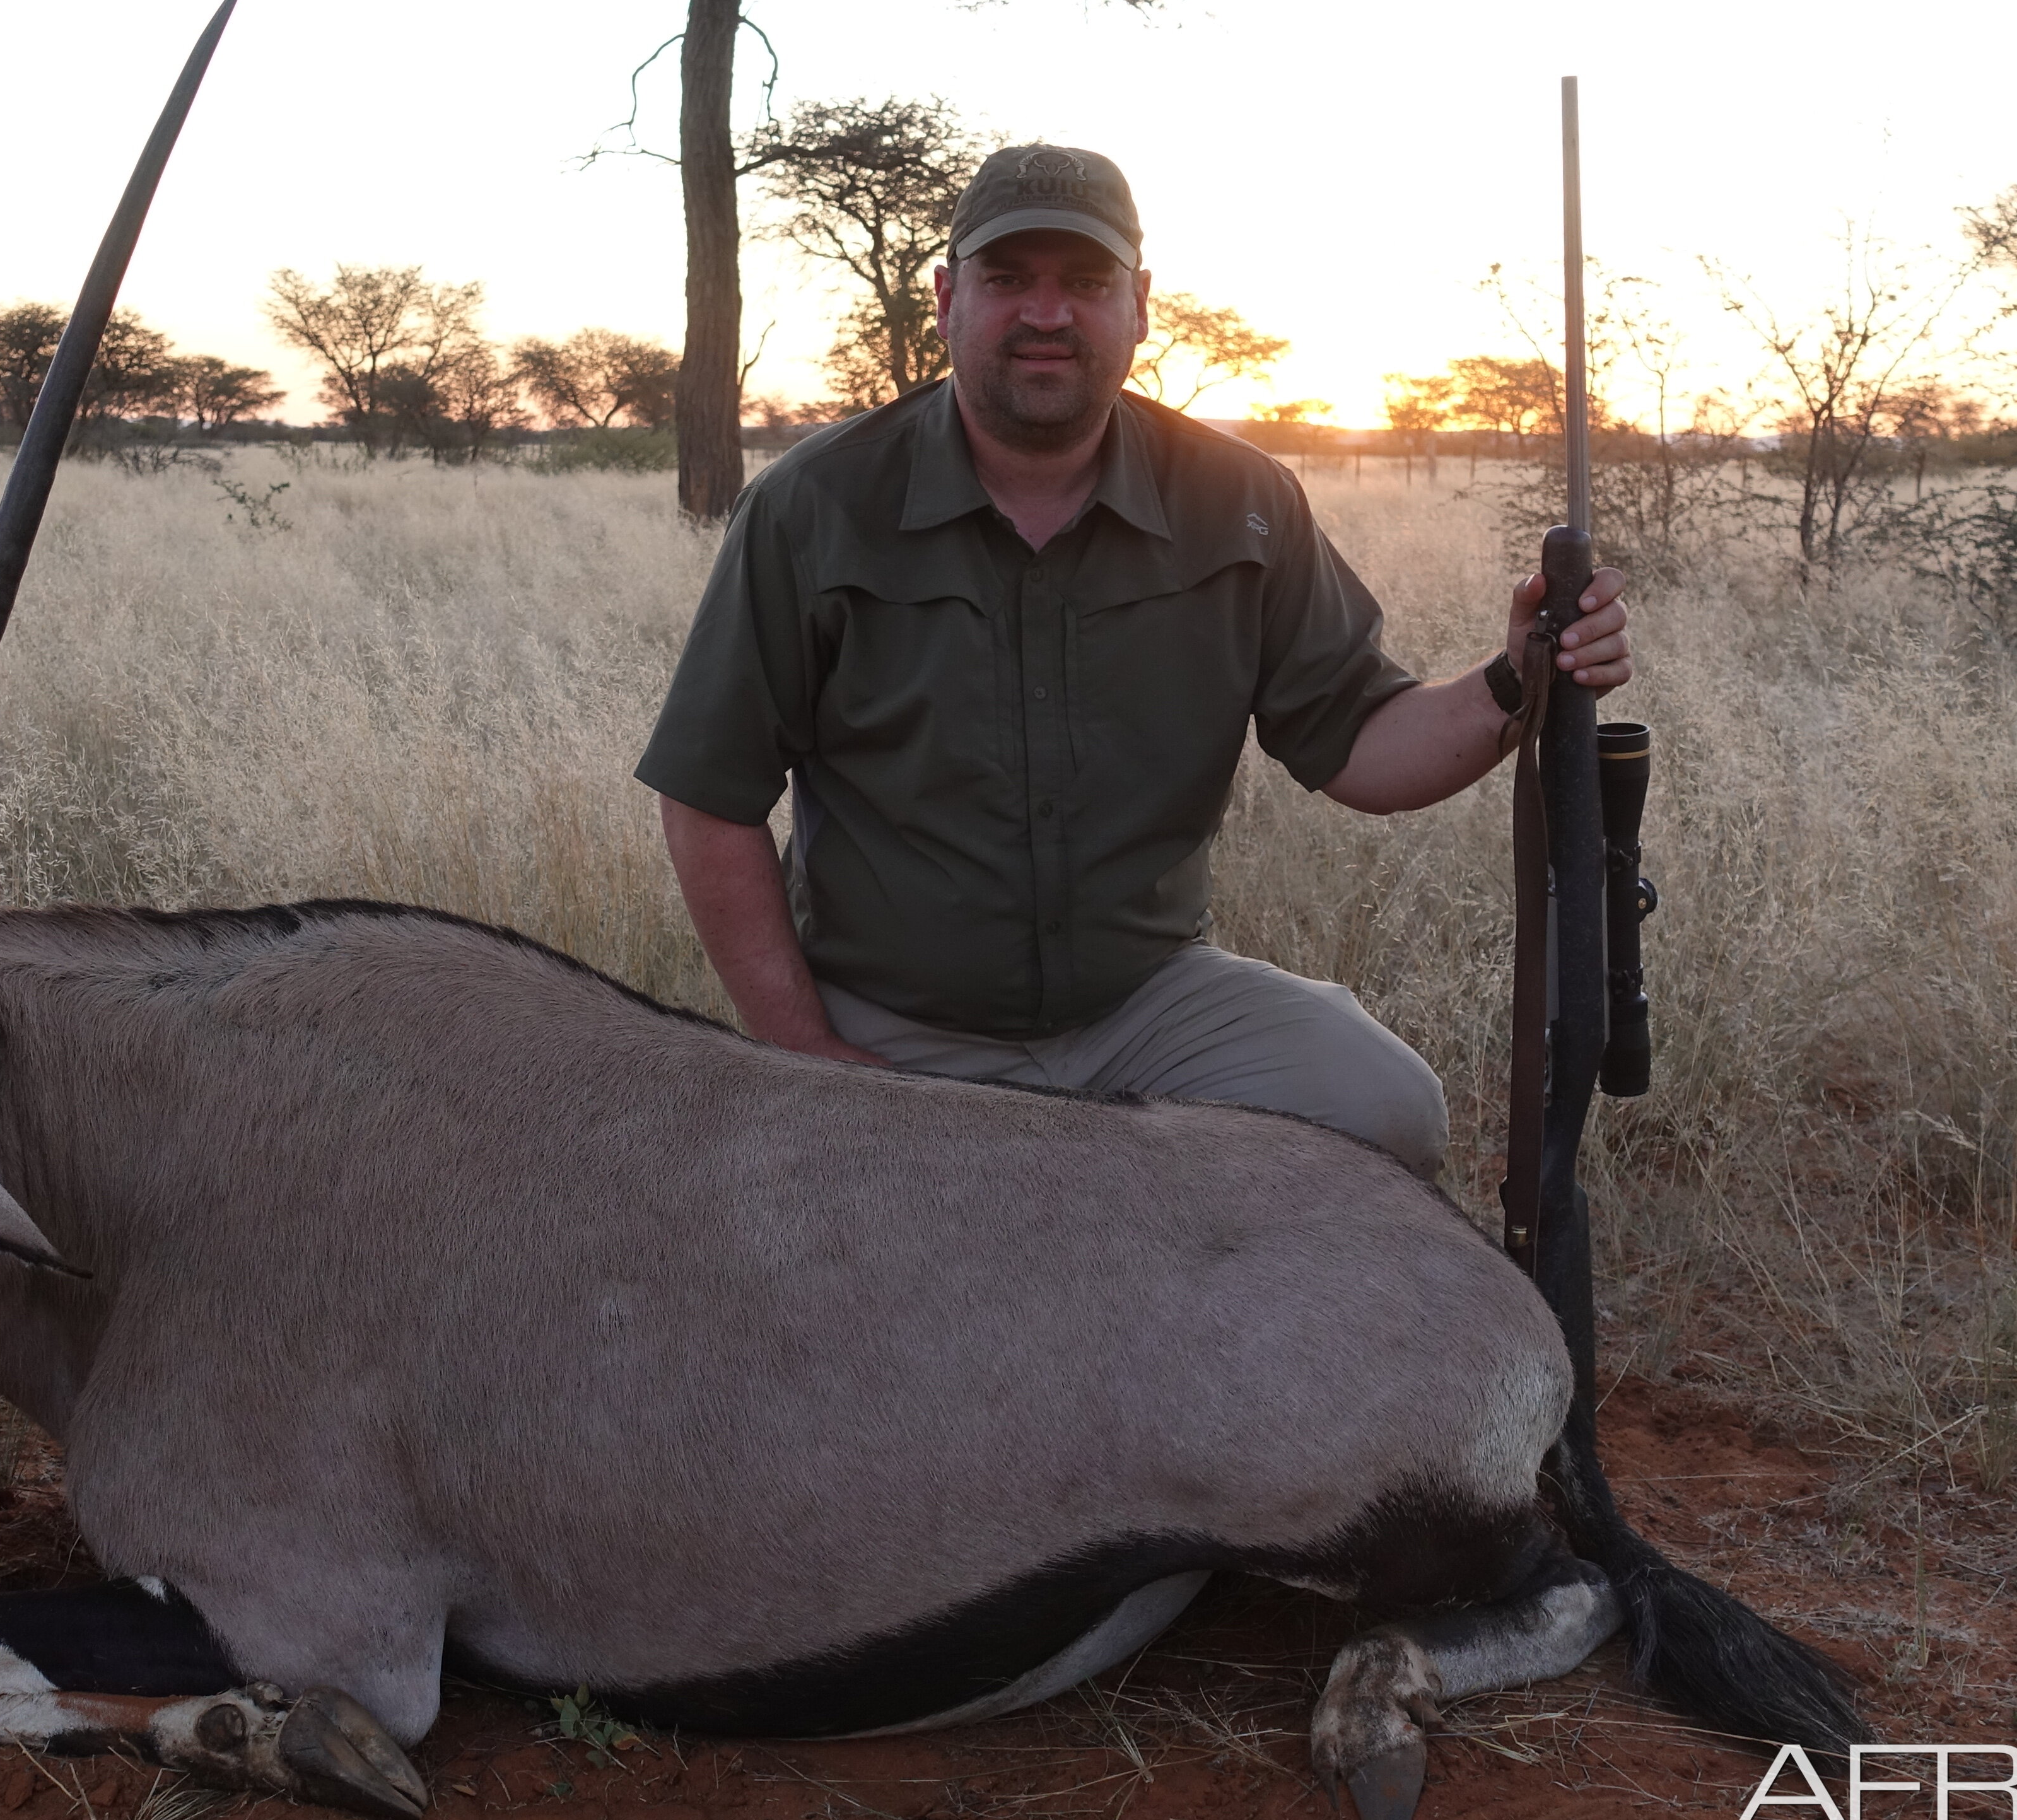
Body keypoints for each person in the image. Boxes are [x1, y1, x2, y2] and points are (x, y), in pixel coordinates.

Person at [635, 143, 1630, 1175]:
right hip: (895, 1021)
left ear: (1141, 305)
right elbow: (709, 795)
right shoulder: (811, 505)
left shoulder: (1240, 500)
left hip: (1148, 1007)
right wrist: (808, 1056)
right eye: (1008, 278)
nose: (1046, 313)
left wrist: (1515, 678)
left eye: (1086, 282)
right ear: (945, 297)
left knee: (1385, 1109)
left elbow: (1359, 743)